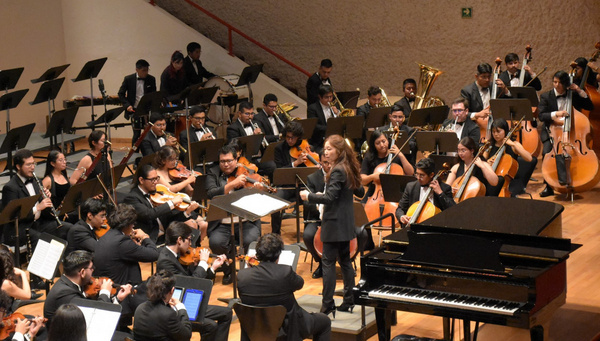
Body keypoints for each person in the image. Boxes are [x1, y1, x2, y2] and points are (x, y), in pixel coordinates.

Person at [300, 135, 364, 317]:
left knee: (327, 263)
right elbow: (360, 191)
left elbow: (329, 198)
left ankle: (327, 305)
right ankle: (349, 300)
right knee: (345, 262)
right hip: (345, 222)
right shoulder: (347, 168)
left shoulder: (337, 170)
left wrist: (309, 196)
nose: (325, 152)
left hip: (334, 223)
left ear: (339, 151)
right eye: (325, 148)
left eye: (329, 149)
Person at [238, 233, 331, 341]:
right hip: (287, 329)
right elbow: (300, 283)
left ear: (257, 254)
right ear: (278, 255)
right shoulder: (285, 272)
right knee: (324, 322)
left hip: (255, 329)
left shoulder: (242, 276)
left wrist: (252, 267)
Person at [156, 222, 232, 341]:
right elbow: (192, 284)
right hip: (177, 307)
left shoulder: (180, 255)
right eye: (189, 240)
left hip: (189, 300)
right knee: (211, 325)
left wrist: (213, 268)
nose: (191, 245)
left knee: (226, 313)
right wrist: (202, 263)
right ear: (179, 240)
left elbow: (197, 281)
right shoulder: (165, 261)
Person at [205, 145, 262, 285]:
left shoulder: (246, 171)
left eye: (229, 160)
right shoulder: (213, 173)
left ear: (236, 159)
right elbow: (211, 193)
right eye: (222, 161)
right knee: (216, 242)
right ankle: (228, 271)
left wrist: (259, 190)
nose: (225, 164)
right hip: (222, 223)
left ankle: (248, 273)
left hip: (246, 221)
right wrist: (232, 185)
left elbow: (259, 192)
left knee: (252, 241)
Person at [538, 70, 594, 197]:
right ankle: (549, 186)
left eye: (559, 83)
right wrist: (555, 114)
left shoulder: (573, 95)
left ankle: (575, 180)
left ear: (566, 84)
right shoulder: (546, 96)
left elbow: (590, 106)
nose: (556, 85)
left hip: (573, 133)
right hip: (551, 132)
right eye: (554, 82)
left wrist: (579, 91)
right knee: (547, 152)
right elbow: (541, 116)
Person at [44, 250, 131, 327]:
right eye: (91, 268)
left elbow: (92, 310)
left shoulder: (67, 283)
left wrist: (117, 299)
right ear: (82, 272)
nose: (93, 270)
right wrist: (104, 292)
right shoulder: (66, 293)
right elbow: (95, 318)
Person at [124, 164, 205, 242]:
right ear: (141, 180)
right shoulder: (132, 198)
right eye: (152, 179)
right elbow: (149, 214)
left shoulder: (157, 192)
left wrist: (187, 212)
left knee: (189, 236)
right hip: (152, 238)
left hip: (167, 234)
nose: (156, 182)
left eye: (157, 178)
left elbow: (169, 217)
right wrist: (171, 203)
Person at [93, 204, 159, 286]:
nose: (133, 226)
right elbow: (154, 254)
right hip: (121, 289)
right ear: (127, 224)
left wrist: (133, 245)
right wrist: (145, 237)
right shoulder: (122, 242)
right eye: (133, 223)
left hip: (109, 283)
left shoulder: (105, 236)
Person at [2, 149, 56, 248]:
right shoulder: (10, 188)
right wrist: (38, 208)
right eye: (28, 165)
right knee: (40, 239)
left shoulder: (36, 180)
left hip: (37, 223)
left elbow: (46, 210)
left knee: (66, 228)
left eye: (33, 164)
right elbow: (13, 216)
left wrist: (46, 198)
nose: (33, 167)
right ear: (18, 166)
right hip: (20, 228)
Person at [270, 121, 310, 235]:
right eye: (288, 137)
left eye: (293, 138)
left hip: (302, 185)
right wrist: (296, 163)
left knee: (311, 200)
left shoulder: (303, 146)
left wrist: (313, 163)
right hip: (286, 187)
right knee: (275, 201)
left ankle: (309, 232)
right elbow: (280, 171)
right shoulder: (279, 148)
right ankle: (275, 234)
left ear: (298, 137)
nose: (290, 140)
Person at [133, 270, 192, 341]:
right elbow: (186, 335)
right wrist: (180, 307)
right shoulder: (168, 315)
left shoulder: (140, 308)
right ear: (172, 290)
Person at [395, 158, 455, 227]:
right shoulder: (411, 187)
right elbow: (400, 209)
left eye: (422, 175)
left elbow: (452, 210)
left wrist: (440, 193)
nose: (418, 178)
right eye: (417, 174)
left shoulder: (444, 188)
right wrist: (402, 217)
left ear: (431, 175)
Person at [483, 118, 535, 197]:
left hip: (509, 183)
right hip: (492, 180)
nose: (495, 134)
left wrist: (513, 145)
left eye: (498, 131)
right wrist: (486, 164)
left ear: (505, 131)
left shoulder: (514, 144)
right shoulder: (489, 146)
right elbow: (482, 162)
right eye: (493, 132)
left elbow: (529, 158)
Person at [226, 101, 276, 178]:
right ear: (239, 114)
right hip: (244, 160)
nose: (250, 117)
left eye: (252, 113)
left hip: (259, 158)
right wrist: (254, 137)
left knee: (273, 165)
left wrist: (261, 138)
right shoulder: (232, 128)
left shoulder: (256, 123)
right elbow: (234, 148)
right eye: (247, 114)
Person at [118, 59, 157, 145]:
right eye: (143, 70)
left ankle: (147, 153)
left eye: (147, 70)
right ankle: (134, 154)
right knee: (137, 134)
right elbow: (120, 94)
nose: (146, 72)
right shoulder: (128, 79)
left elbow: (154, 95)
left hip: (147, 110)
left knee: (149, 133)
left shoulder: (151, 79)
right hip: (134, 110)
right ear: (137, 70)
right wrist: (127, 105)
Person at [302, 159, 330, 279]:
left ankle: (347, 261)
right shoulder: (312, 178)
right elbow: (307, 204)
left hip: (337, 218)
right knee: (308, 235)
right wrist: (319, 203)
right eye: (325, 162)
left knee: (361, 233)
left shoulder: (340, 175)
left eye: (330, 162)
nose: (328, 165)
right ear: (320, 163)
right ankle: (321, 263)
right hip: (318, 219)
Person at [460, 63, 509, 127]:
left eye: (489, 77)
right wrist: (477, 114)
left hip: (495, 126)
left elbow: (508, 103)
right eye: (484, 77)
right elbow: (462, 113)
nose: (487, 80)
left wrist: (505, 90)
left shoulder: (495, 87)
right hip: (475, 126)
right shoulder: (467, 91)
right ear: (476, 76)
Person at [307, 84, 339, 152]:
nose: (329, 99)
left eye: (331, 96)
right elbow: (314, 126)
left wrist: (337, 113)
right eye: (326, 97)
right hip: (319, 141)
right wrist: (329, 128)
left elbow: (340, 122)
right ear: (320, 97)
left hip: (334, 138)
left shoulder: (335, 105)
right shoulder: (312, 108)